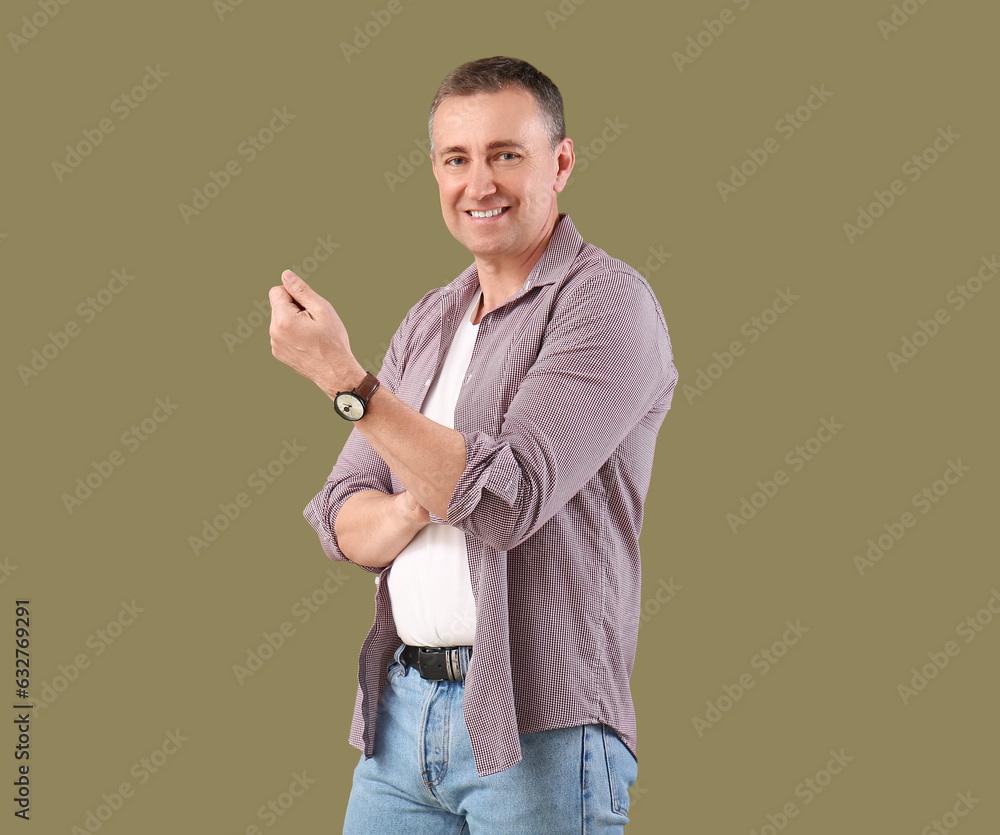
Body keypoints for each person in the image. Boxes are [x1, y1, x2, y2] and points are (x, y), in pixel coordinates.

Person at [268, 55, 678, 834]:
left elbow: (506, 499)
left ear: (560, 163)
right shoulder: (431, 318)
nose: (478, 183)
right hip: (396, 725)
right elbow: (340, 518)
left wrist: (344, 379)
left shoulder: (608, 304)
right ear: (435, 171)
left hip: (541, 736)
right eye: (457, 159)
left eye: (505, 155)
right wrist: (422, 497)